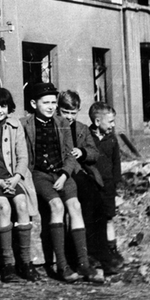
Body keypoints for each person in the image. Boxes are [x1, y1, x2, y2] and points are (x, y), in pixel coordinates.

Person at [21, 83, 102, 283]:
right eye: (45, 102)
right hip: (40, 175)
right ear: (33, 103)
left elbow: (69, 153)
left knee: (74, 206)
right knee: (56, 206)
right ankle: (62, 265)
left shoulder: (62, 123)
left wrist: (66, 174)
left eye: (53, 102)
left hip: (62, 174)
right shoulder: (25, 125)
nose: (50, 106)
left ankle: (83, 263)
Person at [0, 87, 40, 282]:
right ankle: (8, 264)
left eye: (3, 106)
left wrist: (17, 176)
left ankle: (26, 263)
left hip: (14, 177)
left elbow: (23, 155)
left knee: (21, 205)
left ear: (9, 107)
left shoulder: (15, 126)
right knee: (3, 207)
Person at [57, 91, 121, 275]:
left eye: (73, 113)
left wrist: (83, 152)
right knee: (85, 202)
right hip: (63, 173)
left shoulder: (82, 129)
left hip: (80, 171)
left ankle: (102, 254)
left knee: (99, 205)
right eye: (65, 112)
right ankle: (87, 255)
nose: (69, 117)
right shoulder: (54, 126)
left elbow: (93, 152)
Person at [88, 102, 125, 268]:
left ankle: (111, 250)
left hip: (108, 185)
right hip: (93, 186)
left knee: (109, 218)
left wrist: (116, 187)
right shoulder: (87, 138)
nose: (113, 125)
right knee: (95, 219)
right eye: (110, 121)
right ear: (97, 122)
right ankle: (94, 252)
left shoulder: (112, 139)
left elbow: (116, 163)